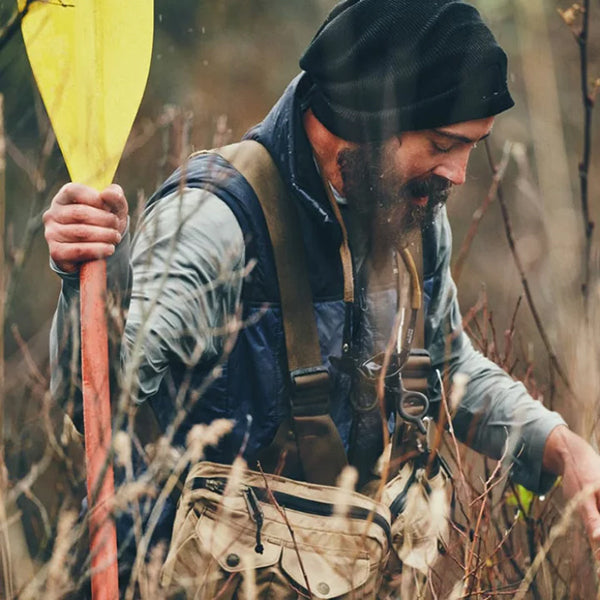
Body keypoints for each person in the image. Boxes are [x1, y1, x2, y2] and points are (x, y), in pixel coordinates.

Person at [43, 0, 600, 596]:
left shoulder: (407, 203)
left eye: (472, 146)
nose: (459, 174)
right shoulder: (214, 220)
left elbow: (445, 366)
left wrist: (562, 447)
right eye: (442, 143)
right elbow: (103, 398)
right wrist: (88, 277)